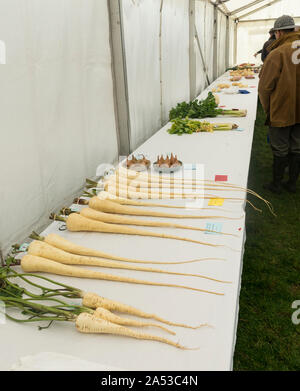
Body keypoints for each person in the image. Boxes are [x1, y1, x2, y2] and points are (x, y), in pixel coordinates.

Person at [258, 15, 300, 194]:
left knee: (280, 147)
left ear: (279, 32)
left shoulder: (277, 53)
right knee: (297, 145)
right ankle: (292, 183)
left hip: (282, 109)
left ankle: (277, 184)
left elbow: (265, 87)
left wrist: (269, 110)